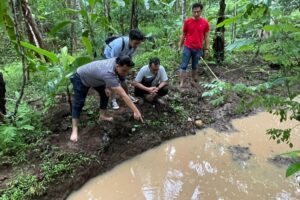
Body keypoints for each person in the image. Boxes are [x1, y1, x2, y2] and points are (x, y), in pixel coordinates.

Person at [70, 56, 143, 142]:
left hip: (96, 78)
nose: (125, 73)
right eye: (124, 71)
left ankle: (102, 116)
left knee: (105, 94)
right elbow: (123, 94)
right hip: (81, 77)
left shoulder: (117, 60)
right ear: (117, 66)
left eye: (128, 71)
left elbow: (105, 75)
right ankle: (74, 129)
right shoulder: (108, 73)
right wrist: (136, 111)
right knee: (79, 103)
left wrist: (107, 86)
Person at [104, 29, 145, 109]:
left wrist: (125, 70)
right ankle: (113, 100)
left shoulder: (133, 46)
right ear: (130, 39)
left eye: (138, 44)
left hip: (121, 59)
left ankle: (127, 95)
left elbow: (129, 57)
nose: (136, 45)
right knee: (113, 79)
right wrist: (117, 72)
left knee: (123, 79)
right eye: (135, 43)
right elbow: (113, 60)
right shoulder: (119, 45)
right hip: (109, 58)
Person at [178, 2, 210, 87]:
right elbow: (183, 35)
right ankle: (182, 82)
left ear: (201, 12)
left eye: (198, 12)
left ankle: (193, 81)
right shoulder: (187, 22)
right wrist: (179, 46)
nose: (196, 13)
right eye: (194, 11)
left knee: (195, 66)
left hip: (198, 48)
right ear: (192, 11)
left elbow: (206, 37)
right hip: (187, 47)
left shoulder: (205, 23)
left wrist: (206, 49)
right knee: (184, 65)